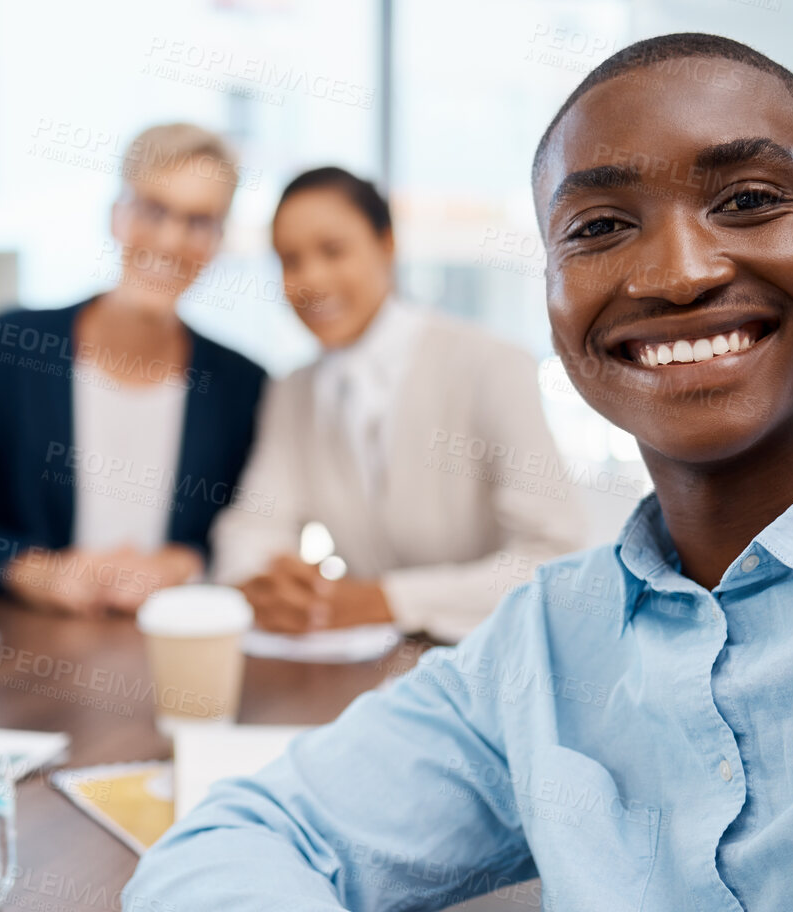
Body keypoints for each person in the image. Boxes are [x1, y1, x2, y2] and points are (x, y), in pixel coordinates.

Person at [123, 34, 793, 912]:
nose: (679, 271)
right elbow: (209, 854)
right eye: (601, 226)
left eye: (745, 199)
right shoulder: (540, 653)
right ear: (559, 305)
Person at [213, 167, 584, 642]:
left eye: (332, 251)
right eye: (290, 260)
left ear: (387, 244)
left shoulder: (490, 364)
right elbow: (251, 524)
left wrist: (387, 599)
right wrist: (268, 581)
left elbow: (554, 557)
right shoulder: (294, 392)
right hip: (372, 671)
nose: (311, 278)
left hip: (500, 660)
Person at [0, 123, 267, 616]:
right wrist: (34, 571)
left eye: (199, 222)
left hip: (170, 649)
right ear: (116, 216)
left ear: (218, 242)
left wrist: (184, 564)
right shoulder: (13, 345)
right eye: (153, 210)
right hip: (27, 646)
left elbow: (244, 530)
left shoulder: (239, 383)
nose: (171, 240)